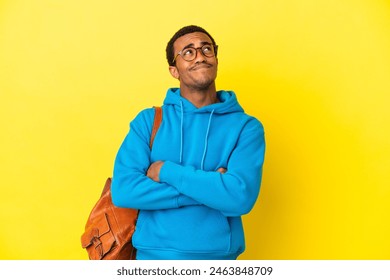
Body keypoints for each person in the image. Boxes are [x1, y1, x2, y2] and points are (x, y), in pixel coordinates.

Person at [111, 25, 266, 260]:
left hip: (218, 263)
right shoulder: (148, 121)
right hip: (152, 261)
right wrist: (213, 187)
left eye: (207, 49)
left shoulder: (246, 127)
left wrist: (165, 170)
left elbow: (240, 198)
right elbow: (124, 192)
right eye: (188, 52)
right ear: (174, 70)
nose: (200, 56)